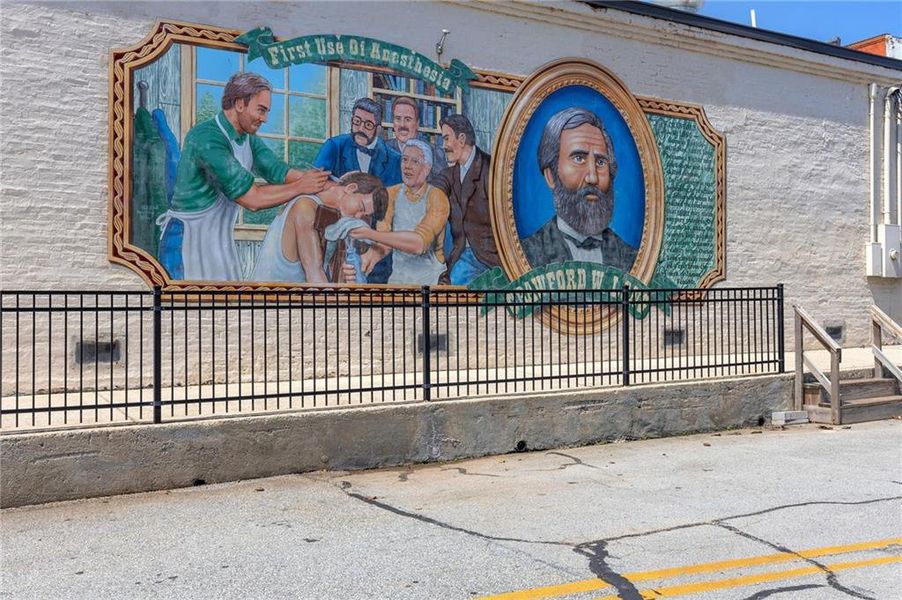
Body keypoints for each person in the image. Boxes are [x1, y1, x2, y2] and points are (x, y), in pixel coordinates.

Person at [159, 72, 331, 281]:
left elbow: (278, 171)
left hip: (218, 243)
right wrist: (301, 186)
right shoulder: (207, 137)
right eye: (261, 110)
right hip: (186, 243)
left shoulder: (247, 138)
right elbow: (252, 199)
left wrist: (326, 185)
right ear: (239, 103)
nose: (265, 119)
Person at [520, 107, 637, 273]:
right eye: (579, 158)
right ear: (550, 176)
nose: (593, 177)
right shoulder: (528, 253)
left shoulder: (630, 258)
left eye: (601, 162)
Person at [251, 172, 387, 284]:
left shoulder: (336, 219)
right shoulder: (304, 207)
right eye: (361, 208)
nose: (358, 217)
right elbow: (314, 274)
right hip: (271, 300)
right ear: (350, 188)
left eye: (364, 215)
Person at [347, 140, 450, 285]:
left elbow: (419, 244)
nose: (407, 166)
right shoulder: (391, 193)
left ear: (427, 168)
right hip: (398, 281)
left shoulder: (437, 197)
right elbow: (384, 243)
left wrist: (369, 233)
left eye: (415, 162)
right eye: (404, 160)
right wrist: (365, 261)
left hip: (431, 282)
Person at [433, 114, 501, 285]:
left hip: (492, 259)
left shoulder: (491, 170)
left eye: (446, 139)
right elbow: (435, 190)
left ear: (462, 139)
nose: (443, 146)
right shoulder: (449, 175)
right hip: (461, 257)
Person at [313, 97, 402, 186]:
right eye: (357, 121)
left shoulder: (395, 159)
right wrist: (339, 186)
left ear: (378, 130)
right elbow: (315, 183)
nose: (360, 129)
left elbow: (400, 191)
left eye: (368, 125)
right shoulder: (333, 146)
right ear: (351, 121)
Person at [385, 96, 447, 179]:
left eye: (408, 119)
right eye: (398, 119)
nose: (402, 125)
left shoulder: (435, 153)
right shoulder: (383, 149)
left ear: (417, 124)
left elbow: (442, 185)